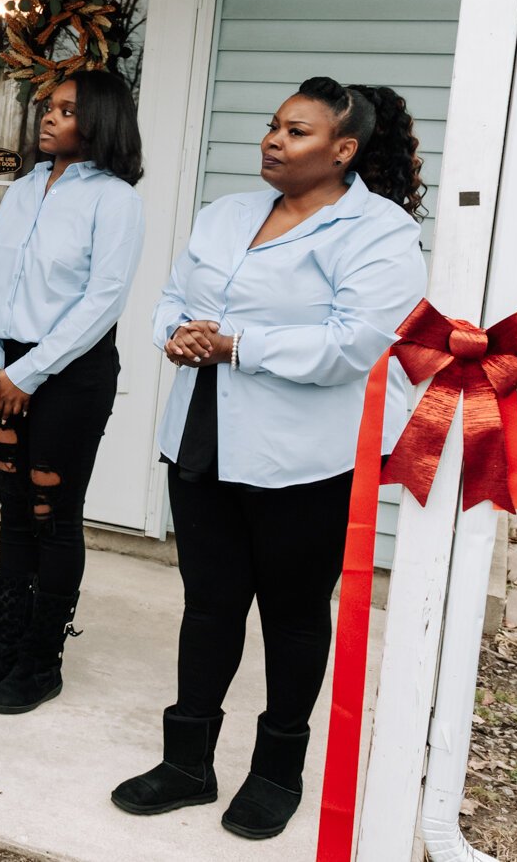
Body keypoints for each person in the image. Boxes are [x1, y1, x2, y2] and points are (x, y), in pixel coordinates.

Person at [109, 77, 428, 839]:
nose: (274, 140)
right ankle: (187, 763)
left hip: (306, 456)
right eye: (273, 126)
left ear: (342, 150)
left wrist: (237, 344)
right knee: (209, 603)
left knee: (290, 615)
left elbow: (359, 340)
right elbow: (172, 297)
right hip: (204, 435)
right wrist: (177, 333)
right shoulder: (227, 214)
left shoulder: (378, 231)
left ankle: (277, 772)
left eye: (297, 131)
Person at [0, 68, 145, 714]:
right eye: (48, 107)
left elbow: (103, 301)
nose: (48, 118)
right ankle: (4, 645)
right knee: (11, 512)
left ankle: (41, 661)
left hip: (72, 374)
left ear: (100, 121)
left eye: (66, 109)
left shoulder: (115, 199)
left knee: (50, 515)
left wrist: (28, 375)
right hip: (7, 366)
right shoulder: (26, 186)